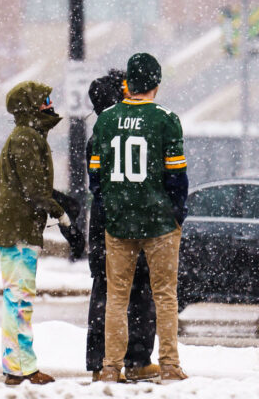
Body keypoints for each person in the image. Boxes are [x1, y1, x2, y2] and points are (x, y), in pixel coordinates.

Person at [89, 53, 190, 383]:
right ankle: (170, 364)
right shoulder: (166, 119)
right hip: (158, 221)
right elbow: (177, 175)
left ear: (128, 84)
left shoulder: (104, 120)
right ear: (156, 86)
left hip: (118, 223)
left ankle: (109, 367)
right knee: (164, 295)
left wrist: (112, 207)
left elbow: (95, 178)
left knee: (116, 297)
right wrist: (177, 212)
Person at [0, 80, 71, 386]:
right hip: (18, 231)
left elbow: (32, 186)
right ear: (32, 107)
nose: (50, 105)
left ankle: (17, 365)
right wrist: (59, 212)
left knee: (17, 298)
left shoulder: (28, 136)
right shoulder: (25, 138)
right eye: (45, 100)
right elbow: (34, 189)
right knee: (19, 299)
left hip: (17, 229)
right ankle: (21, 368)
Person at [86, 70, 158, 382]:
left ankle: (122, 361)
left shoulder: (105, 136)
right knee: (126, 292)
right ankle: (121, 361)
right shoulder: (112, 137)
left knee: (121, 292)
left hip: (114, 224)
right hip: (121, 226)